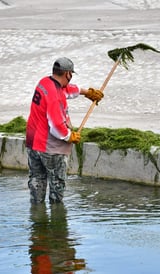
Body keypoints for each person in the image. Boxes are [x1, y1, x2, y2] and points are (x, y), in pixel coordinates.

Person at [26, 57, 103, 204]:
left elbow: (66, 89)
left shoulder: (44, 82)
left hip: (32, 143)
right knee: (57, 183)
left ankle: (37, 214)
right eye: (71, 74)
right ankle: (57, 219)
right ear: (68, 74)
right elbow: (56, 126)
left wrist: (86, 92)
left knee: (37, 179)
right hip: (50, 148)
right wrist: (70, 136)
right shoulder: (56, 97)